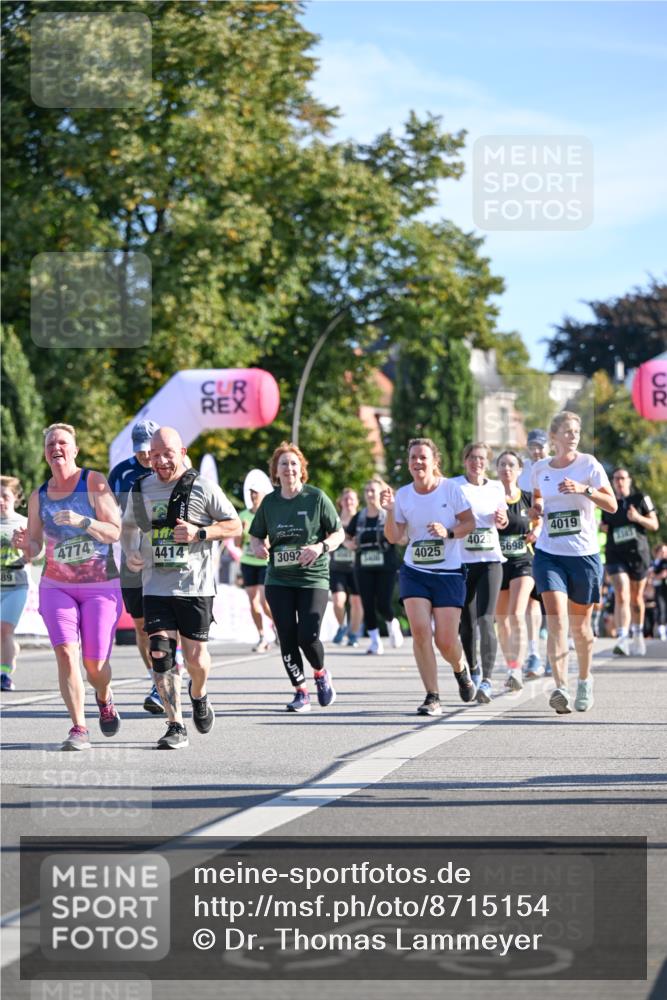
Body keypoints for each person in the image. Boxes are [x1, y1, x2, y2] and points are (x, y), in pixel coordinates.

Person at [121, 426, 241, 749]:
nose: (159, 461)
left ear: (183, 452)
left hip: (195, 586)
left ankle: (199, 695)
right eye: (154, 454)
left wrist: (199, 534)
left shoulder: (203, 487)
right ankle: (175, 724)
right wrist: (132, 552)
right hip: (155, 586)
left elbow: (234, 524)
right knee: (159, 652)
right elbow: (128, 527)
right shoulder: (140, 487)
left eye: (167, 454)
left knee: (196, 659)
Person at [13, 424, 123, 749]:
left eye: (63, 442)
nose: (56, 447)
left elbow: (115, 531)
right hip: (56, 586)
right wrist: (24, 545)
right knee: (65, 652)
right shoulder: (39, 496)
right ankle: (79, 727)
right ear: (46, 453)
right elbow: (34, 549)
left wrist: (83, 521)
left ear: (74, 450)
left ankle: (104, 696)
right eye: (50, 444)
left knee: (95, 665)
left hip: (99, 586)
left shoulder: (94, 482)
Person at [529, 411, 617, 715]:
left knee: (581, 630)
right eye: (567, 431)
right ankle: (561, 687)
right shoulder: (540, 469)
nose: (573, 436)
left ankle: (583, 680)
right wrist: (537, 509)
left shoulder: (589, 465)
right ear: (554, 437)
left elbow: (613, 504)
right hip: (549, 554)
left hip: (584, 556)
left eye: (576, 431)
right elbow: (538, 497)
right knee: (557, 623)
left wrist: (585, 490)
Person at [382, 437, 477, 716]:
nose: (417, 462)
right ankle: (432, 696)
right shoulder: (403, 495)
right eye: (413, 458)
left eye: (423, 457)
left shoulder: (450, 490)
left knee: (445, 640)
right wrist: (389, 512)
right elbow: (396, 537)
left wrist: (448, 532)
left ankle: (461, 669)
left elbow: (469, 523)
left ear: (435, 462)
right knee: (421, 631)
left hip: (448, 572)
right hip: (415, 571)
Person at [249, 442, 345, 713]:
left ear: (301, 469)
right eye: (283, 464)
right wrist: (258, 546)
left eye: (294, 463)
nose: (289, 468)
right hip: (279, 579)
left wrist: (320, 547)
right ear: (275, 472)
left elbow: (337, 533)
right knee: (287, 636)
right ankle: (300, 691)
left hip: (313, 577)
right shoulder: (269, 502)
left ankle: (320, 672)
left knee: (308, 635)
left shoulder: (316, 498)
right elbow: (256, 535)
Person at [108, 419, 165, 713]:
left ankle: (164, 674)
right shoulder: (121, 473)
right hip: (131, 555)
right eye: (140, 451)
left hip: (166, 555)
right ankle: (157, 676)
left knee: (165, 622)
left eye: (149, 449)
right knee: (142, 627)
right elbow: (111, 515)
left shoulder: (170, 465)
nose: (146, 456)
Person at [452, 443, 508, 703]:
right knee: (467, 622)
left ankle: (486, 680)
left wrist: (502, 521)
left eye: (482, 458)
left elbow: (503, 519)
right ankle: (472, 669)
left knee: (486, 619)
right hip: (462, 562)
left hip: (490, 561)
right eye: (473, 458)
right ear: (465, 461)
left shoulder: (496, 487)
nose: (477, 462)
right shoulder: (454, 486)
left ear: (487, 462)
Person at [495, 451, 542, 692]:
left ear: (520, 470)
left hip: (524, 561)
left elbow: (541, 519)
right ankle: (511, 663)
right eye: (502, 464)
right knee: (501, 621)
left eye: (511, 464)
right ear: (497, 469)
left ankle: (516, 670)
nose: (506, 468)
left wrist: (537, 532)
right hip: (497, 563)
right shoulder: (491, 499)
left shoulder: (527, 498)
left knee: (516, 613)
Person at [601, 467, 659, 656]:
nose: (619, 482)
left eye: (622, 478)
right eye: (616, 478)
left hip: (638, 556)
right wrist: (603, 527)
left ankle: (638, 635)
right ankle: (622, 639)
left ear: (629, 480)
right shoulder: (609, 503)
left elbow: (654, 525)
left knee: (636, 599)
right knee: (621, 593)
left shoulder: (641, 498)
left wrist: (637, 517)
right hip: (616, 555)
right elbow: (605, 526)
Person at [345, 478, 403, 655]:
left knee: (383, 604)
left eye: (373, 490)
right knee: (367, 603)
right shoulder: (359, 517)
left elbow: (400, 537)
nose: (370, 494)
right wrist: (350, 544)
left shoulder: (388, 515)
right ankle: (375, 642)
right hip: (363, 566)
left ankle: (392, 622)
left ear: (380, 493)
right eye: (367, 491)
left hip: (386, 565)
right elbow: (345, 536)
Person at [519, 430, 550, 677]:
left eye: (540, 446)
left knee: (558, 598)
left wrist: (541, 527)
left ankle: (556, 649)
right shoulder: (524, 472)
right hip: (530, 543)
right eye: (532, 446)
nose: (536, 450)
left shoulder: (556, 466)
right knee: (532, 599)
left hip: (558, 541)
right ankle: (533, 654)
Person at [238, 468, 275, 652]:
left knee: (264, 601)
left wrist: (262, 540)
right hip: (248, 562)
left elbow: (271, 543)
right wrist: (241, 530)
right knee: (253, 602)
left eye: (256, 492)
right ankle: (262, 636)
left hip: (264, 563)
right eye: (251, 492)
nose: (253, 495)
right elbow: (238, 544)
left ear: (263, 493)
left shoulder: (269, 514)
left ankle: (277, 625)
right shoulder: (243, 515)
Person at [1, 477, 32, 691]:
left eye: (5, 496)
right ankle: (10, 651)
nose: (1, 501)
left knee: (4, 629)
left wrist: (23, 546)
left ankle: (5, 673)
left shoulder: (24, 522)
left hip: (16, 585)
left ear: (16, 498)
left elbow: (34, 556)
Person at [330, 488, 364, 647]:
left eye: (352, 499)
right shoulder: (333, 521)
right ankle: (342, 626)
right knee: (338, 601)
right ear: (341, 502)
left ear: (357, 502)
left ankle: (353, 634)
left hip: (357, 568)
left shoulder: (362, 520)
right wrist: (343, 541)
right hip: (337, 567)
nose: (349, 502)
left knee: (357, 602)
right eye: (346, 499)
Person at [651, 543, 667, 641]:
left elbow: (664, 574)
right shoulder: (655, 563)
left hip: (664, 587)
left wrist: (656, 576)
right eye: (663, 551)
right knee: (660, 608)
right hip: (658, 588)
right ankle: (662, 631)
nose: (664, 553)